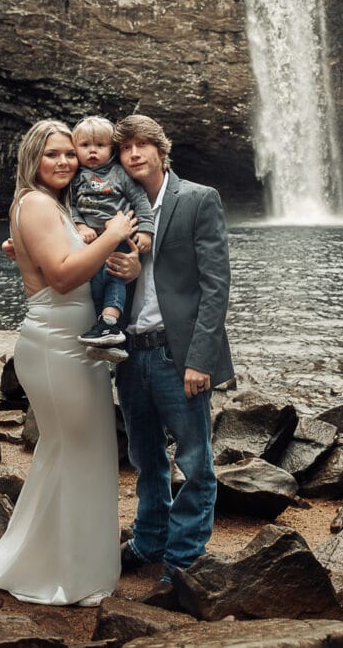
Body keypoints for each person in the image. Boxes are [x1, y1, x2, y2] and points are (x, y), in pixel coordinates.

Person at [0, 119, 139, 606]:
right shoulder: (38, 203)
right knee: (77, 450)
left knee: (72, 454)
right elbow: (63, 279)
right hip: (55, 345)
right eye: (53, 154)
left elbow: (51, 260)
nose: (65, 161)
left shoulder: (52, 206)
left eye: (70, 153)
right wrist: (112, 235)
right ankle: (64, 572)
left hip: (71, 342)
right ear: (32, 159)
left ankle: (67, 563)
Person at [110, 115, 234, 589]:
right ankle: (149, 541)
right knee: (145, 458)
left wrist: (199, 359)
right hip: (132, 352)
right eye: (127, 148)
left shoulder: (198, 199)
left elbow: (215, 285)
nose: (135, 153)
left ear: (163, 151)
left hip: (175, 354)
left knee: (196, 461)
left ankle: (182, 559)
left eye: (145, 145)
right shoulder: (119, 209)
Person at [69, 116, 155, 359]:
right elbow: (71, 206)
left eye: (100, 145)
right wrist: (80, 225)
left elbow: (141, 202)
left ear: (112, 150)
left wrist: (146, 231)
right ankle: (109, 337)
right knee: (95, 285)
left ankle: (109, 321)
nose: (92, 151)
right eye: (85, 146)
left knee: (114, 277)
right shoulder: (76, 177)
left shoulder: (120, 174)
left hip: (119, 239)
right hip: (91, 241)